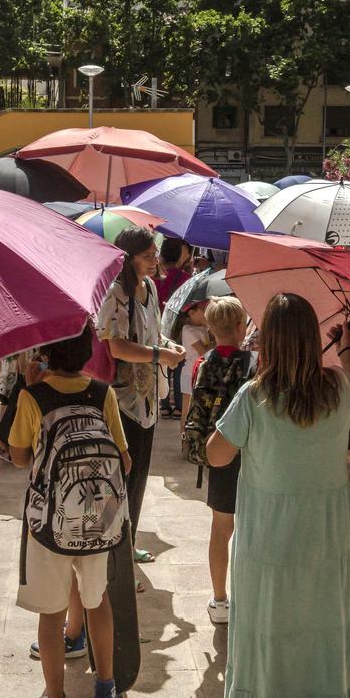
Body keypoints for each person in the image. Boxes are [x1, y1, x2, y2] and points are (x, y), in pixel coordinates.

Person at [206, 292, 350, 698]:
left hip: (271, 543)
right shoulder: (339, 389)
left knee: (275, 638)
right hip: (328, 539)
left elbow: (217, 457)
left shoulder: (254, 397)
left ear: (271, 342)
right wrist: (346, 354)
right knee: (322, 630)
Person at [6, 324, 132, 698]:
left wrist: (27, 389)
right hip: (100, 520)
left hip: (48, 525)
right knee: (97, 602)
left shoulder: (32, 396)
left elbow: (21, 458)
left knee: (52, 612)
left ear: (45, 352)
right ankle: (105, 692)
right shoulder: (102, 392)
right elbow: (124, 462)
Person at [97, 227, 185, 557]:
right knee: (119, 475)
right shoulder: (115, 293)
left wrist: (166, 345)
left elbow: (152, 334)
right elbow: (117, 346)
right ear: (128, 258)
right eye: (147, 256)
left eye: (154, 255)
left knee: (139, 476)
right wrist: (159, 355)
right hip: (119, 400)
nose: (154, 261)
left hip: (146, 398)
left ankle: (126, 543)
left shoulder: (147, 287)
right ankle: (111, 546)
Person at [180, 295, 253, 625]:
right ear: (241, 327)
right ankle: (248, 594)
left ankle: (219, 599)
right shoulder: (253, 364)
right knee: (249, 529)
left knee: (220, 528)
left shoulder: (203, 362)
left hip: (216, 452)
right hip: (250, 453)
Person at [155, 237, 194, 418]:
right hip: (177, 327)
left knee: (162, 362)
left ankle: (163, 404)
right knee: (179, 364)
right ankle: (178, 405)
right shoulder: (185, 278)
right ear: (180, 256)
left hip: (157, 325)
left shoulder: (152, 278)